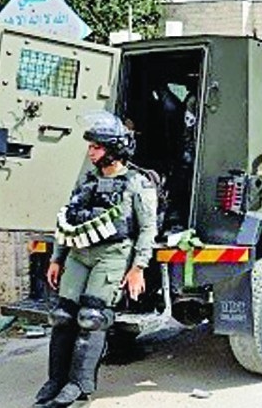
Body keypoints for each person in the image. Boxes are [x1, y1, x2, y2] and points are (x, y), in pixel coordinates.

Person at [34, 112, 158, 408]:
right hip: (79, 254)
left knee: (92, 317)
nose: (90, 152)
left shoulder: (136, 183)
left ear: (113, 149)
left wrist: (138, 267)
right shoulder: (86, 181)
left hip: (112, 255)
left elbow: (147, 228)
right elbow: (68, 222)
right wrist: (57, 257)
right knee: (62, 316)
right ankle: (55, 380)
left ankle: (79, 385)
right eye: (90, 147)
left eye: (95, 147)